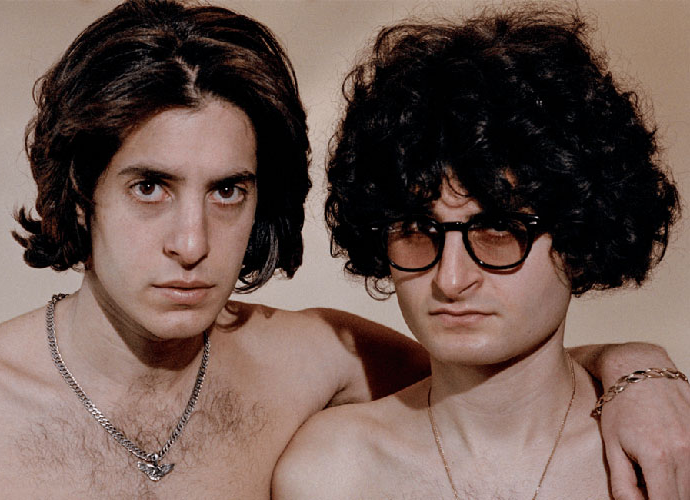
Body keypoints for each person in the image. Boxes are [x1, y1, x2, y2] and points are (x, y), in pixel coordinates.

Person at [0, 1, 686, 498]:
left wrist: (638, 373)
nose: (191, 243)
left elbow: (498, 363)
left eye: (227, 191)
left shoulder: (317, 361)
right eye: (150, 187)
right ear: (79, 194)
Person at [273, 7, 689, 500]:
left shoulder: (664, 452)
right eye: (417, 230)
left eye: (497, 230)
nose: (450, 279)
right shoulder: (332, 471)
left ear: (580, 238)